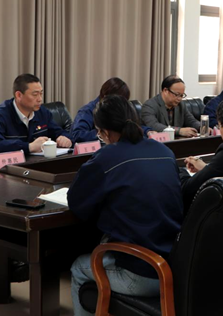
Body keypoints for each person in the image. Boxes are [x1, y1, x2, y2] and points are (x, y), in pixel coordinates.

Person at [68, 95, 183, 316]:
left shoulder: (106, 158)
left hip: (140, 273)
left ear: (105, 132)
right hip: (173, 266)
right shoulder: (164, 152)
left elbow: (77, 204)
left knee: (78, 268)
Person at [0, 74, 74, 155]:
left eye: (41, 94)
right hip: (12, 166)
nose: (40, 99)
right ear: (19, 95)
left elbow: (59, 132)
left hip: (38, 163)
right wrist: (29, 147)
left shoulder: (42, 112)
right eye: (35, 94)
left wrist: (66, 139)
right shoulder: (1, 114)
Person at [71, 77, 153, 142]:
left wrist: (147, 131)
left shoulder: (122, 109)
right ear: (105, 96)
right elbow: (77, 135)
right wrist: (103, 133)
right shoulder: (88, 110)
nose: (122, 105)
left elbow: (132, 125)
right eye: (118, 102)